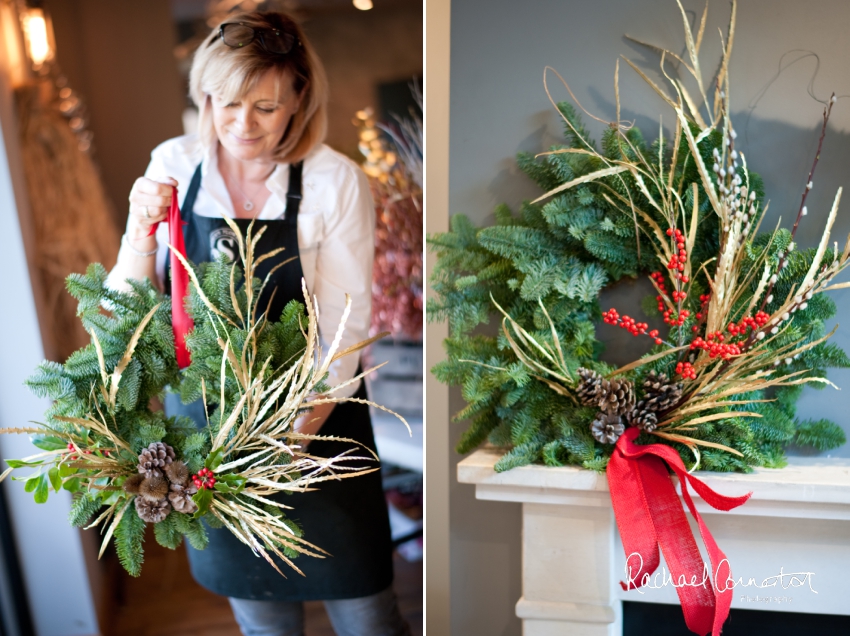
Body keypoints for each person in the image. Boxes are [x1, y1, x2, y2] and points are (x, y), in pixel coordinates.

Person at [108, 11, 409, 636]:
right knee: (264, 621)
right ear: (205, 96)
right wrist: (139, 231)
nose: (243, 126)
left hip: (319, 433)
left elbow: (343, 334)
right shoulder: (175, 164)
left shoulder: (334, 182)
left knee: (368, 619)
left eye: (266, 108)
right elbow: (124, 315)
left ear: (299, 97)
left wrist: (283, 447)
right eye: (227, 103)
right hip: (207, 439)